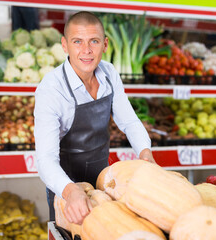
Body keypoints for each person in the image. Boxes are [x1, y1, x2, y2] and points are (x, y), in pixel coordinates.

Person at [34, 11, 155, 225]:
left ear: (105, 44)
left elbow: (129, 122)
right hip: (66, 188)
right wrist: (70, 191)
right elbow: (45, 159)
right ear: (65, 45)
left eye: (94, 41)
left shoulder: (109, 73)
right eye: (77, 41)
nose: (86, 51)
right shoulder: (51, 89)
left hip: (104, 184)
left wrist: (145, 153)